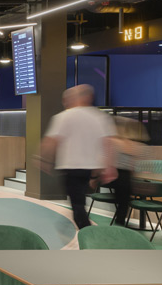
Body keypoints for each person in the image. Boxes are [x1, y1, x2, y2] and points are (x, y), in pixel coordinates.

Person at [39, 84, 117, 229]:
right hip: (91, 168)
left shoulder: (63, 117)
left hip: (71, 168)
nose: (65, 102)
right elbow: (108, 143)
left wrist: (43, 159)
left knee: (77, 205)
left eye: (67, 99)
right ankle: (89, 231)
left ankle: (89, 234)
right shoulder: (100, 117)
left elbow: (51, 141)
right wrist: (109, 166)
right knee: (80, 202)